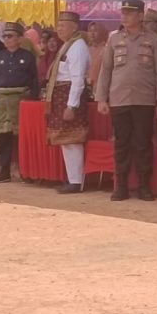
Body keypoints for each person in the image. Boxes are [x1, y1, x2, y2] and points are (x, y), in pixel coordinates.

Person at [95, 0, 157, 202]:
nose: (125, 16)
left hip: (144, 100)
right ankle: (121, 186)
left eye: (129, 13)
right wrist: (101, 98)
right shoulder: (114, 39)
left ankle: (144, 186)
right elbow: (106, 70)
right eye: (123, 12)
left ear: (140, 16)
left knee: (143, 144)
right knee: (121, 144)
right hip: (119, 99)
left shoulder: (154, 40)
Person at [0, 23, 38, 183]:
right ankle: (4, 171)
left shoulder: (28, 56)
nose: (6, 39)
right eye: (5, 36)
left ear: (20, 39)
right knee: (3, 136)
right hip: (2, 98)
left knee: (22, 137)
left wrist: (34, 101)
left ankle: (25, 171)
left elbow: (34, 80)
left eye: (10, 36)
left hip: (21, 98)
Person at [45, 11, 91, 194]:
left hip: (69, 94)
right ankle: (72, 178)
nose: (59, 29)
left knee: (73, 139)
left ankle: (76, 181)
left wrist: (72, 105)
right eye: (58, 25)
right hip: (61, 93)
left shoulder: (77, 46)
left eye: (63, 25)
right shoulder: (68, 45)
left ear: (74, 27)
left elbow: (78, 79)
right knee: (66, 140)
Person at [87, 22, 109, 91]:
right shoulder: (86, 49)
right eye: (90, 31)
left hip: (100, 88)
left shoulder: (106, 50)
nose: (92, 33)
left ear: (102, 33)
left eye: (95, 31)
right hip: (86, 87)